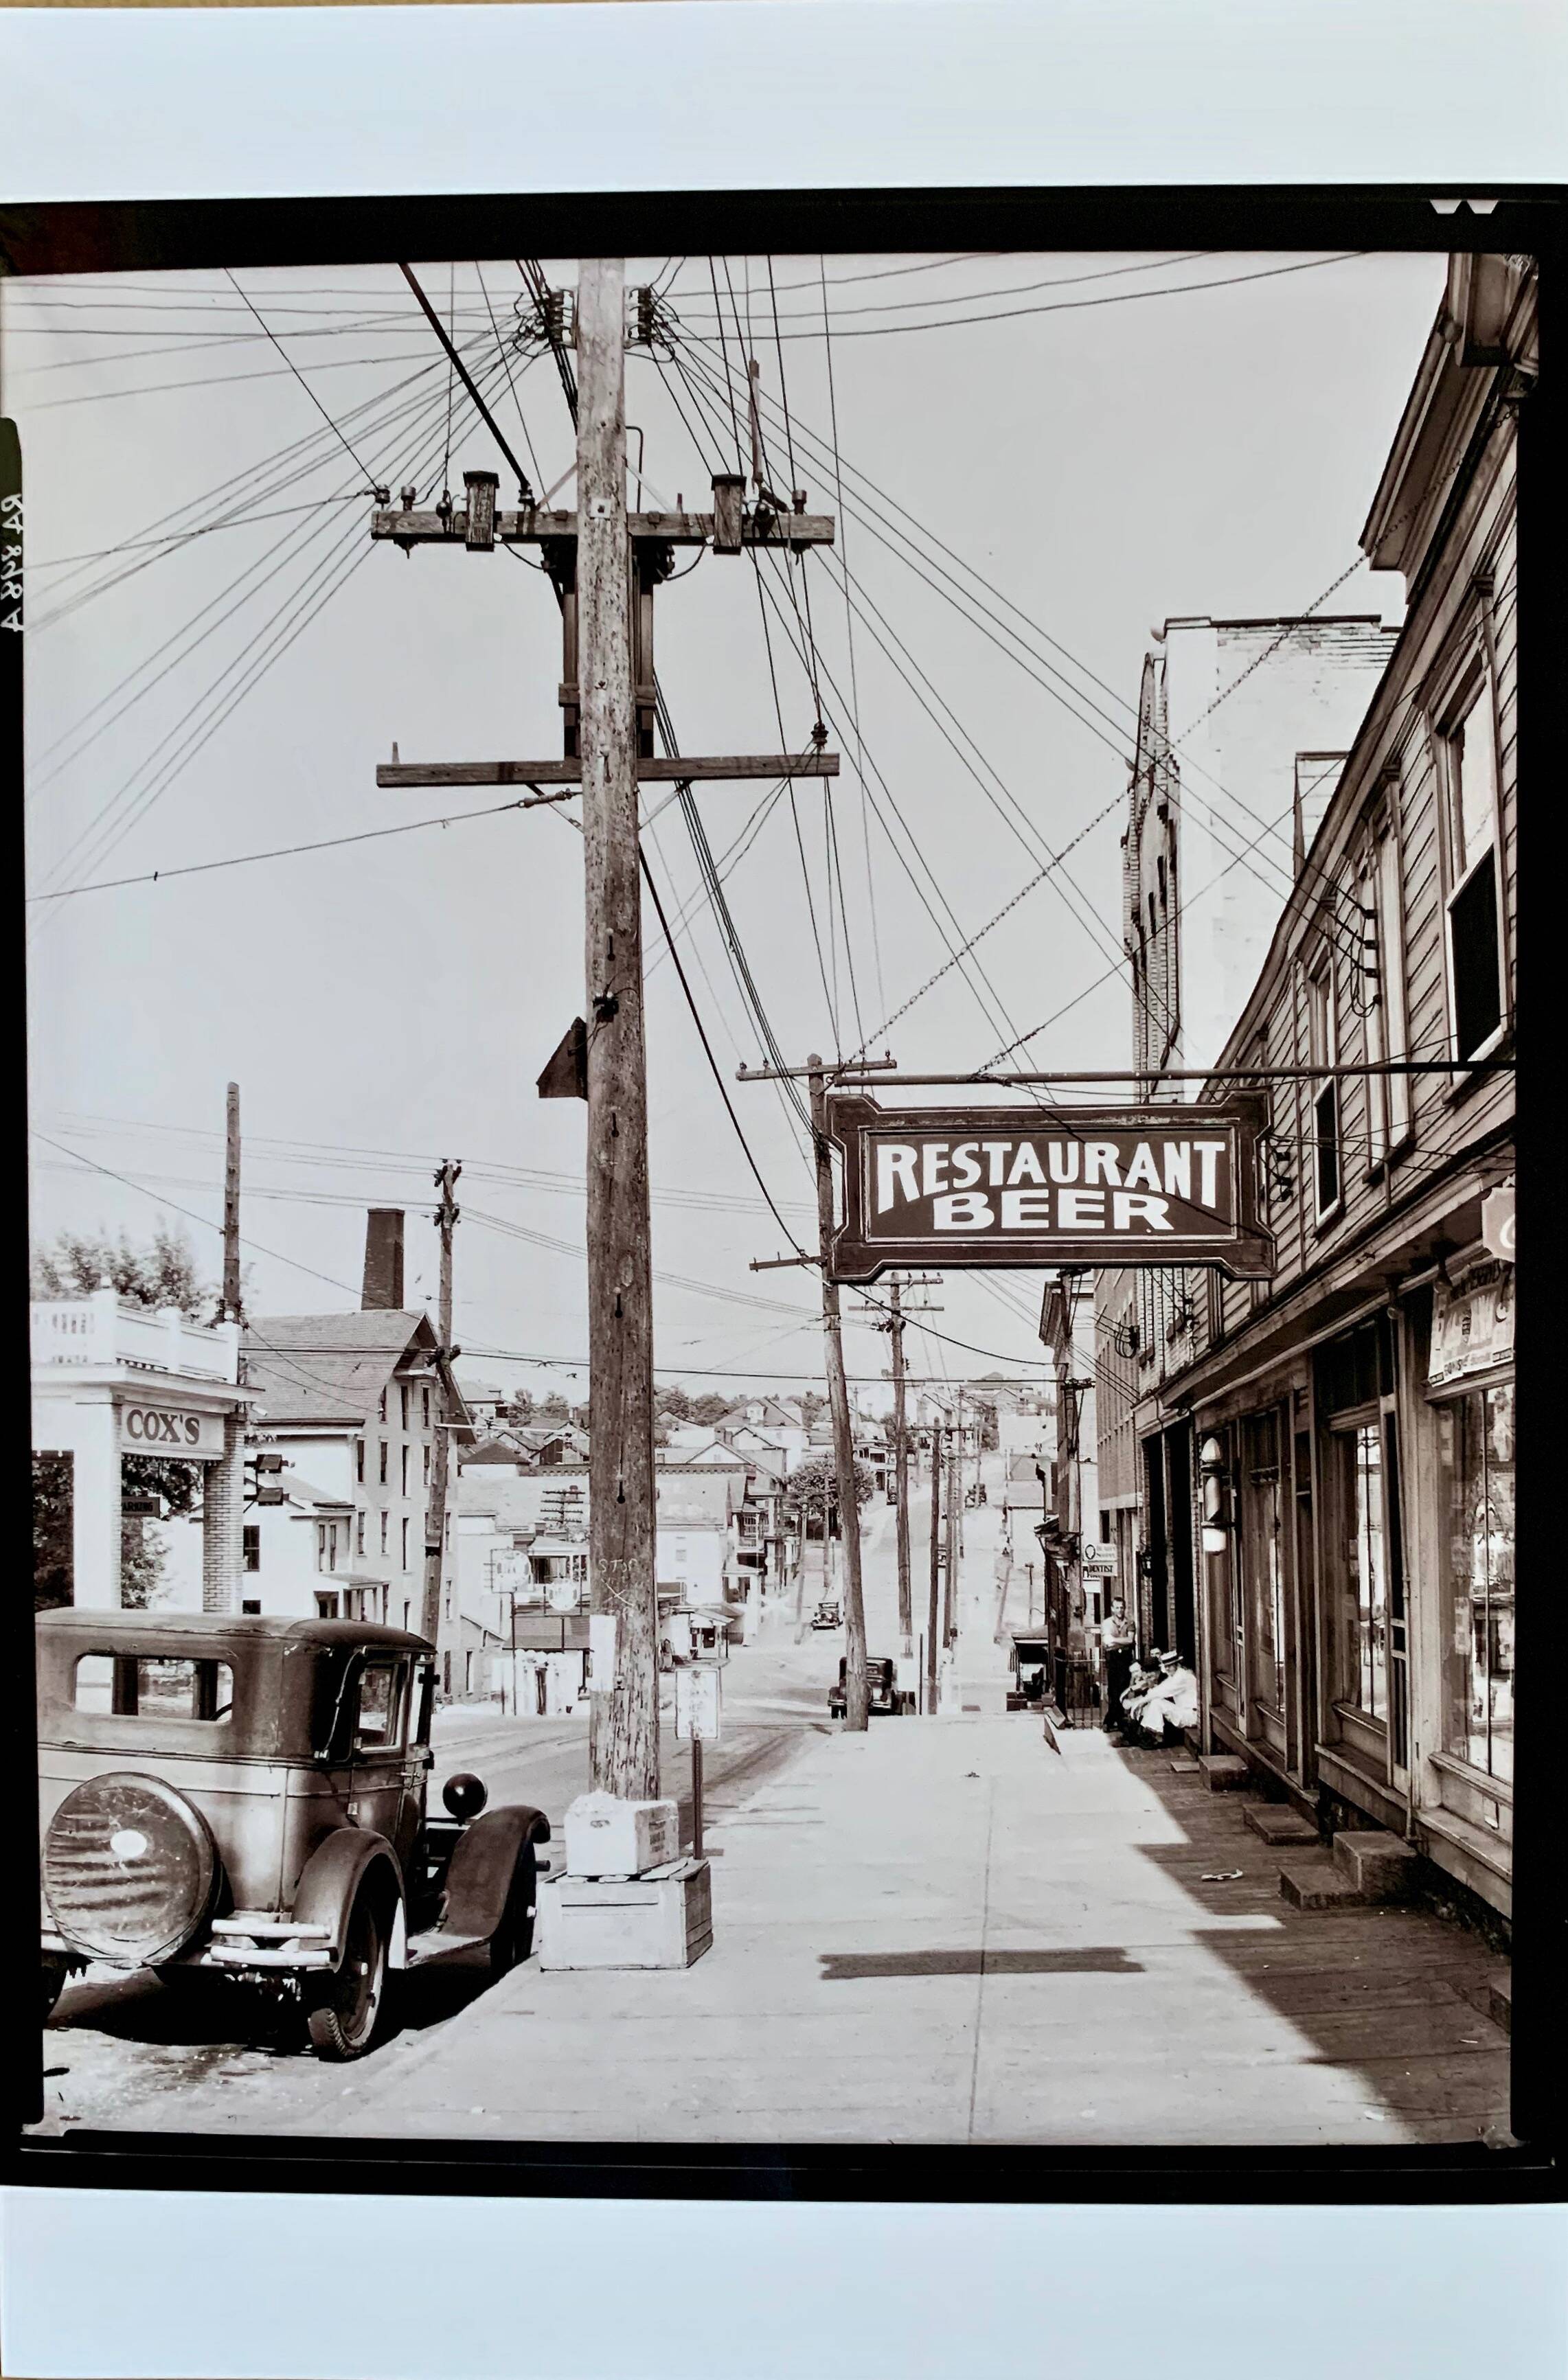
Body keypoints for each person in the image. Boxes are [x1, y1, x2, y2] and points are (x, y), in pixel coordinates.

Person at [1100, 1597, 1137, 1733]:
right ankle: (1115, 1720)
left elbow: (1130, 1640)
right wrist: (1123, 1641)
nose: (1120, 1610)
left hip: (1125, 1657)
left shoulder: (1130, 1623)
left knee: (1124, 1688)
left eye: (1122, 1607)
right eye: (1117, 1607)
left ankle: (1112, 1721)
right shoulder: (1107, 1623)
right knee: (1113, 1690)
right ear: (1112, 1609)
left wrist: (1115, 1640)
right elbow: (1107, 1643)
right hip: (1113, 1658)